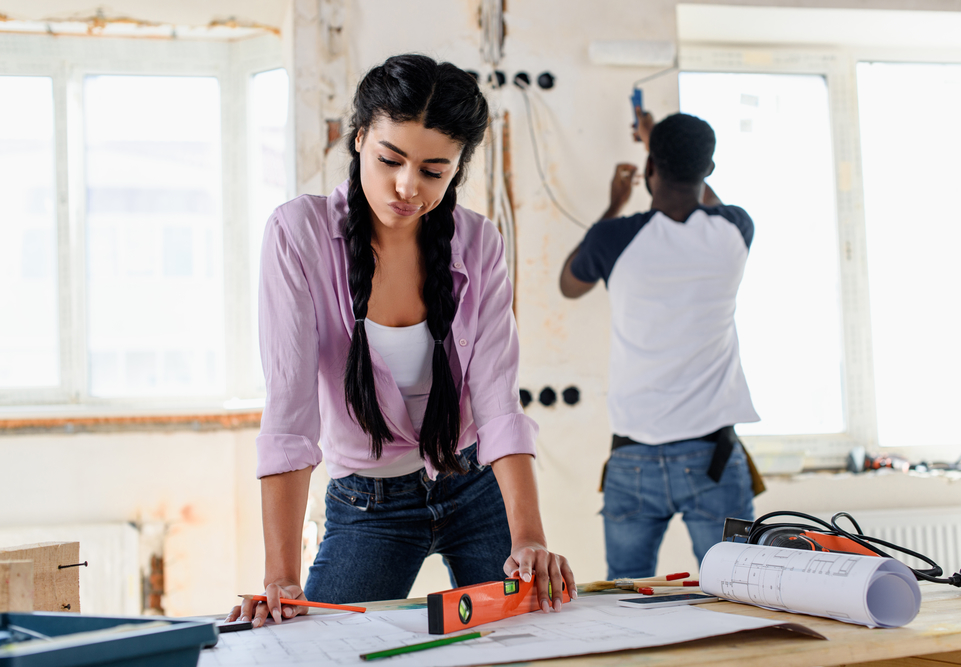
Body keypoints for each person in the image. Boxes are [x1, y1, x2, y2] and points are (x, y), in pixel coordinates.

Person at [228, 54, 574, 629]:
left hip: (473, 482)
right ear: (359, 137)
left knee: (530, 636)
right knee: (318, 647)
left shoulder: (479, 242)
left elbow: (496, 399)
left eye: (434, 171)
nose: (408, 186)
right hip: (371, 504)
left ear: (456, 171)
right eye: (390, 159)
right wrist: (280, 578)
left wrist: (531, 538)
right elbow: (290, 415)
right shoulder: (299, 234)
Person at [558, 111, 761, 579]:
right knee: (744, 593)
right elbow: (709, 204)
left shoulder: (614, 237)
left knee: (627, 603)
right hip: (712, 458)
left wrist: (613, 205)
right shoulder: (735, 230)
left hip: (633, 461)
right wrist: (660, 147)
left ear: (651, 169)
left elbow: (570, 283)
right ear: (708, 170)